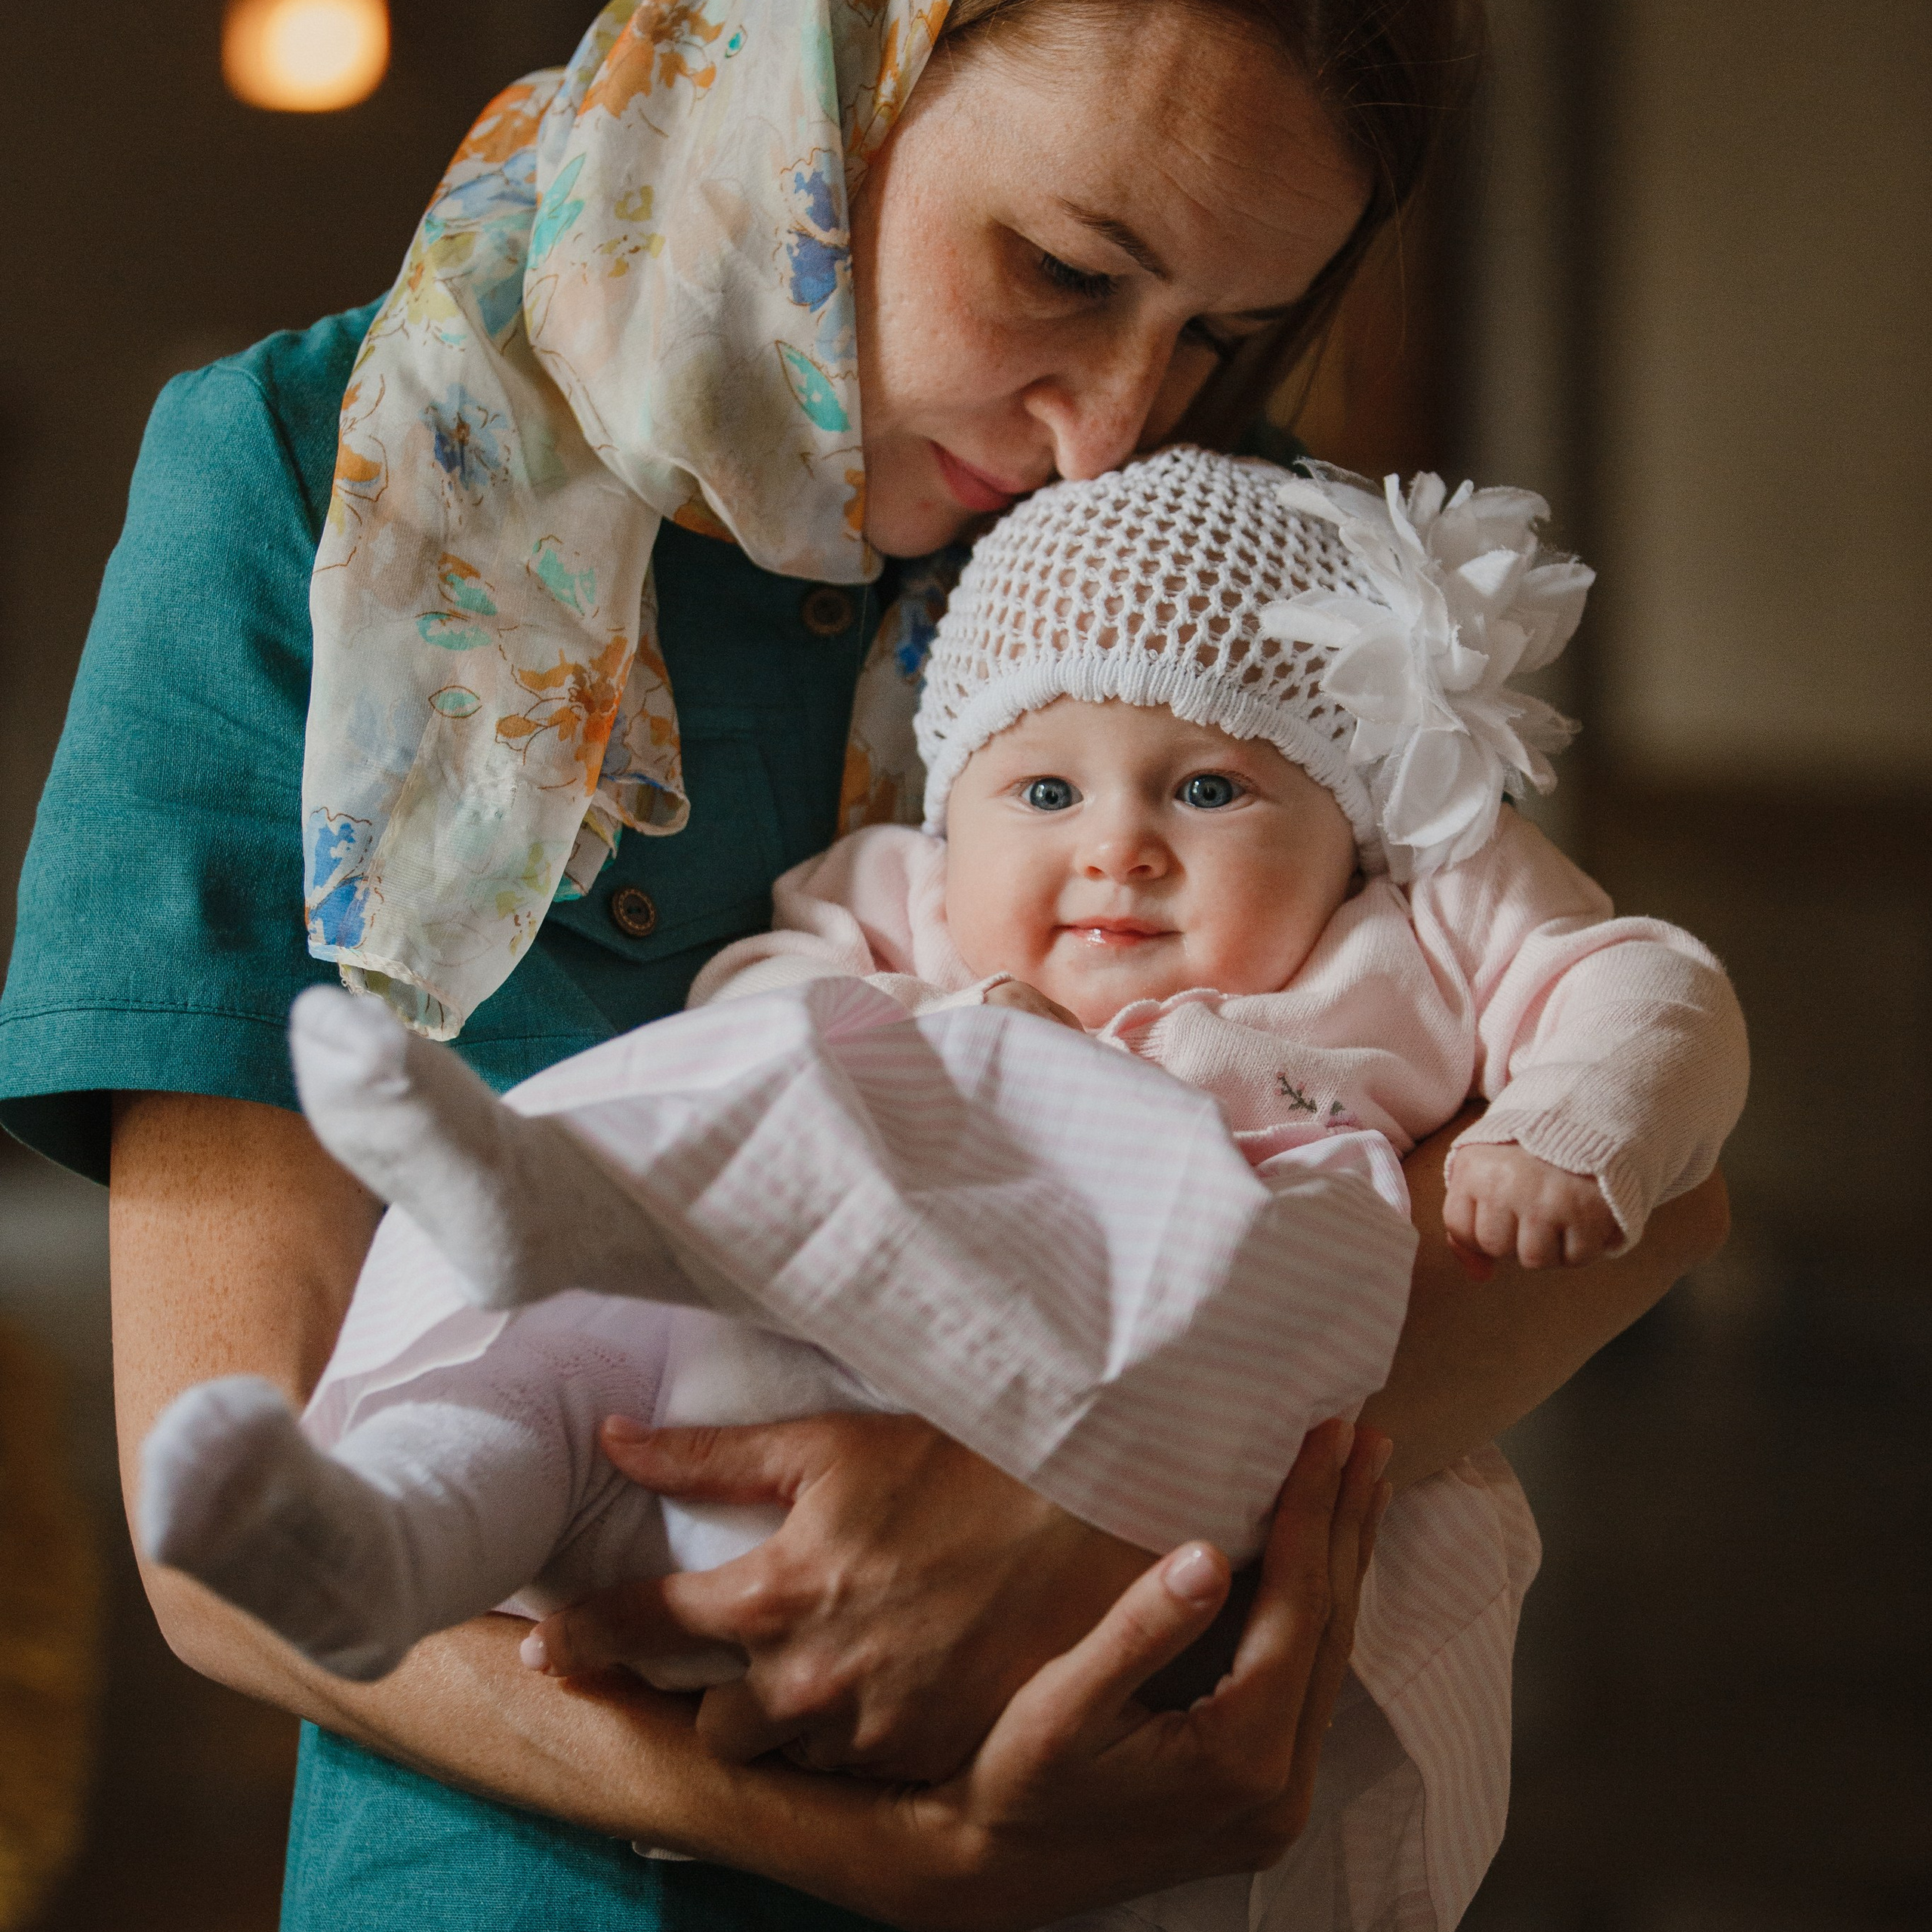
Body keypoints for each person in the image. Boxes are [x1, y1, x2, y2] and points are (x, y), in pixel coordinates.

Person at [0, 2, 1730, 1927]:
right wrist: (885, 1849)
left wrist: (1109, 1507)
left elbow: (1635, 1192)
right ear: (814, 78)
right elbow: (214, 1538)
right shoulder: (308, 488)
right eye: (1063, 270)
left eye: (1223, 336)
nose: (1111, 421)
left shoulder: (1206, 547)